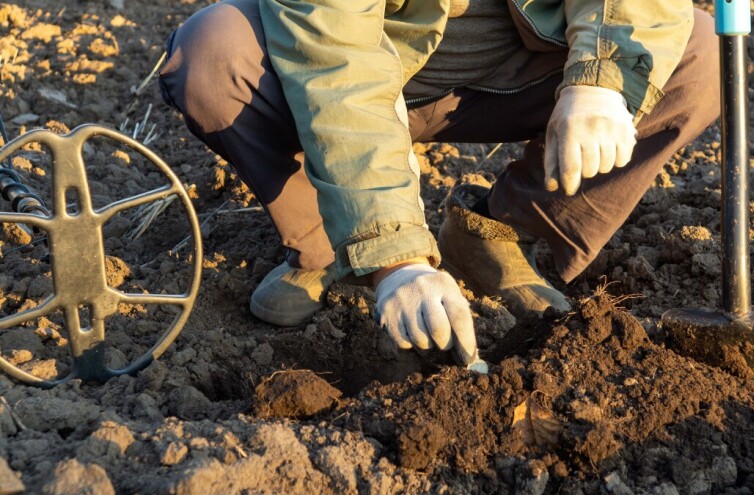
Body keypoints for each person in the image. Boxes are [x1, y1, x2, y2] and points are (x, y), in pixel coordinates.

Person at [157, 0, 720, 366]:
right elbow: (337, 74)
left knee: (696, 50)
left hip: (522, 60)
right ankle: (331, 240)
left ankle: (503, 233)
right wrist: (395, 261)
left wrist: (601, 79)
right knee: (213, 52)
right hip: (357, 65)